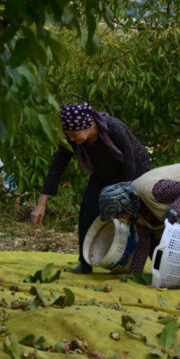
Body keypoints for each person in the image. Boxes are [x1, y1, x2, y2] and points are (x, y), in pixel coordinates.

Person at [31, 102, 150, 274]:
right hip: (104, 173)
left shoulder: (114, 128)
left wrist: (124, 202)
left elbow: (130, 165)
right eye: (68, 135)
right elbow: (58, 166)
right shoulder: (74, 136)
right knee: (88, 209)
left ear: (90, 125)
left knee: (138, 218)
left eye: (74, 135)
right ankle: (85, 263)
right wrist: (41, 203)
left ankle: (136, 265)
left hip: (134, 171)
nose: (71, 139)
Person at [98, 162, 180, 274]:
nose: (120, 220)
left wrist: (175, 210)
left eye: (119, 215)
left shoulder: (152, 190)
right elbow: (143, 243)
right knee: (160, 260)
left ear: (123, 205)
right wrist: (135, 274)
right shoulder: (136, 210)